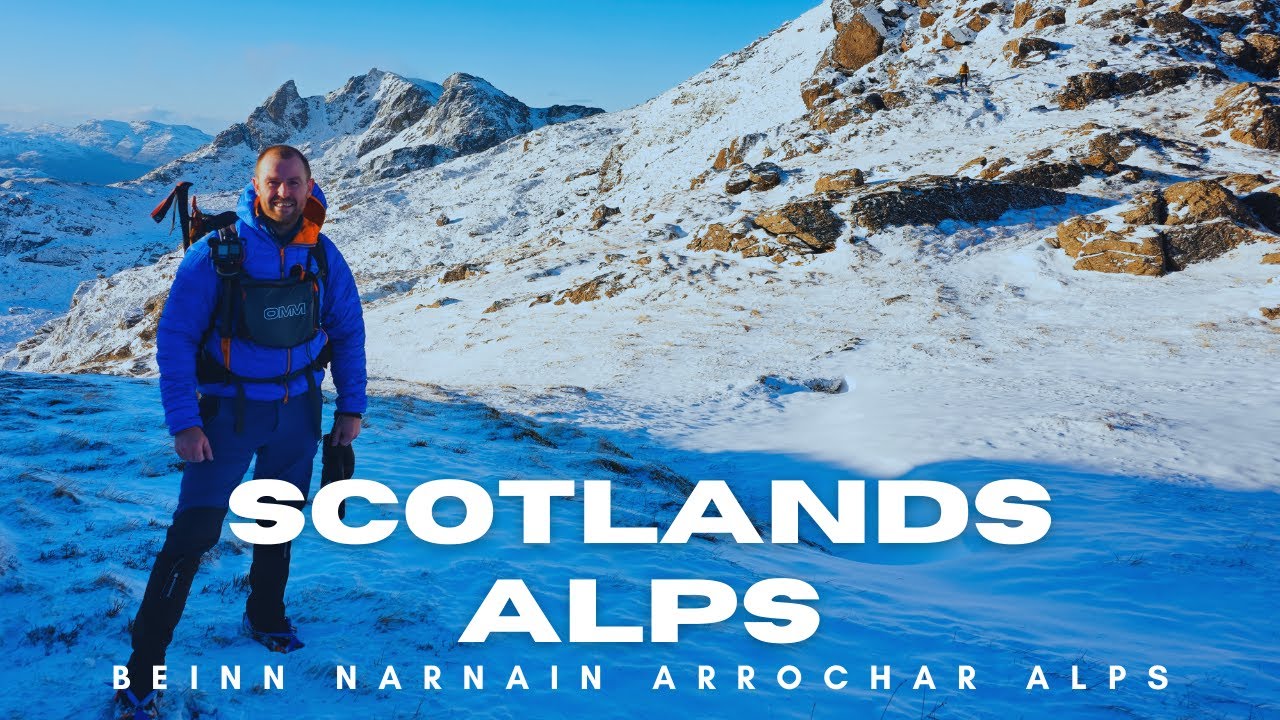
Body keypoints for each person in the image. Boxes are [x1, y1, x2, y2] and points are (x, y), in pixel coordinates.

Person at [114, 145, 367, 719]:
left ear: (309, 186)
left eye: (295, 183)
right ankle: (142, 673)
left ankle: (266, 615)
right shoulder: (214, 255)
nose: (285, 193)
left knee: (279, 520)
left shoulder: (324, 257)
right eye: (274, 183)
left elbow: (347, 334)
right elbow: (175, 339)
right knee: (192, 538)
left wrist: (350, 409)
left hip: (298, 413)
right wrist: (183, 420)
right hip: (225, 417)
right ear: (256, 186)